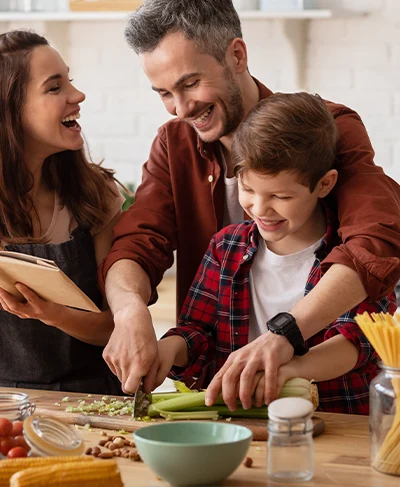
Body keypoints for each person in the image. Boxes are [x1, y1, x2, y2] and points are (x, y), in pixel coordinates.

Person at [99, 0, 400, 405]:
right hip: (227, 404)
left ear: (237, 56)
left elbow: (375, 239)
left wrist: (285, 337)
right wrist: (129, 310)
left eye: (190, 84)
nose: (181, 108)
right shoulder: (175, 144)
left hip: (331, 403)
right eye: (165, 93)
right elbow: (138, 241)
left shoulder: (325, 130)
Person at [155, 92, 397, 414]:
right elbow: (198, 333)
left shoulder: (349, 257)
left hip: (338, 421)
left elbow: (360, 341)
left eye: (280, 196)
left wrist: (289, 370)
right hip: (248, 425)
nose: (259, 208)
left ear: (324, 185)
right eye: (248, 188)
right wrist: (167, 350)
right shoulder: (225, 248)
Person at [0, 30, 124, 394]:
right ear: (10, 109)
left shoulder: (96, 193)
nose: (77, 95)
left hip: (94, 396)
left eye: (69, 80)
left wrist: (50, 313)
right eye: (54, 88)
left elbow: (116, 327)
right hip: (6, 406)